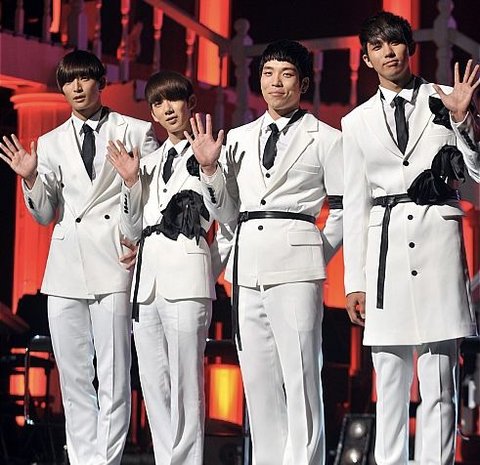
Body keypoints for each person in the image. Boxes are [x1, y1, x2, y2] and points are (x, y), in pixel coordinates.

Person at [186, 39, 343, 465]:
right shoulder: (237, 138)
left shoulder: (327, 138)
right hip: (247, 265)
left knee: (301, 375)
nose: (276, 82)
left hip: (298, 264)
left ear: (303, 83)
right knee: (257, 379)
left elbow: (344, 209)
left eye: (287, 74)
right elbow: (226, 211)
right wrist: (209, 170)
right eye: (269, 73)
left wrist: (313, 251)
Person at [0, 50, 159, 465]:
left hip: (115, 261)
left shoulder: (136, 130)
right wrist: (30, 179)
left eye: (84, 79)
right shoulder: (49, 142)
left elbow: (154, 200)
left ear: (100, 82)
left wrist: (133, 194)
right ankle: (84, 460)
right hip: (66, 268)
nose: (76, 87)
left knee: (113, 375)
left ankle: (105, 461)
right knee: (73, 379)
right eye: (68, 81)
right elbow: (45, 214)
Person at [342, 11, 480, 465]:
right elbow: (356, 204)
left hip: (437, 243)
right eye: (378, 46)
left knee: (439, 380)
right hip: (386, 254)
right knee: (390, 380)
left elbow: (477, 171)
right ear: (367, 59)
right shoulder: (355, 122)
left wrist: (464, 121)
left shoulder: (446, 98)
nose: (389, 52)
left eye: (396, 42)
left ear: (410, 47)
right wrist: (354, 281)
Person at [106, 70, 232, 465]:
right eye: (158, 103)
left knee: (185, 382)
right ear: (153, 114)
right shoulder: (146, 161)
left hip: (188, 280)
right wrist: (130, 184)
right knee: (154, 382)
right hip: (146, 284)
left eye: (174, 99)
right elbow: (131, 230)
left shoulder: (213, 153)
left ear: (190, 103)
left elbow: (227, 219)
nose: (167, 109)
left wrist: (205, 268)